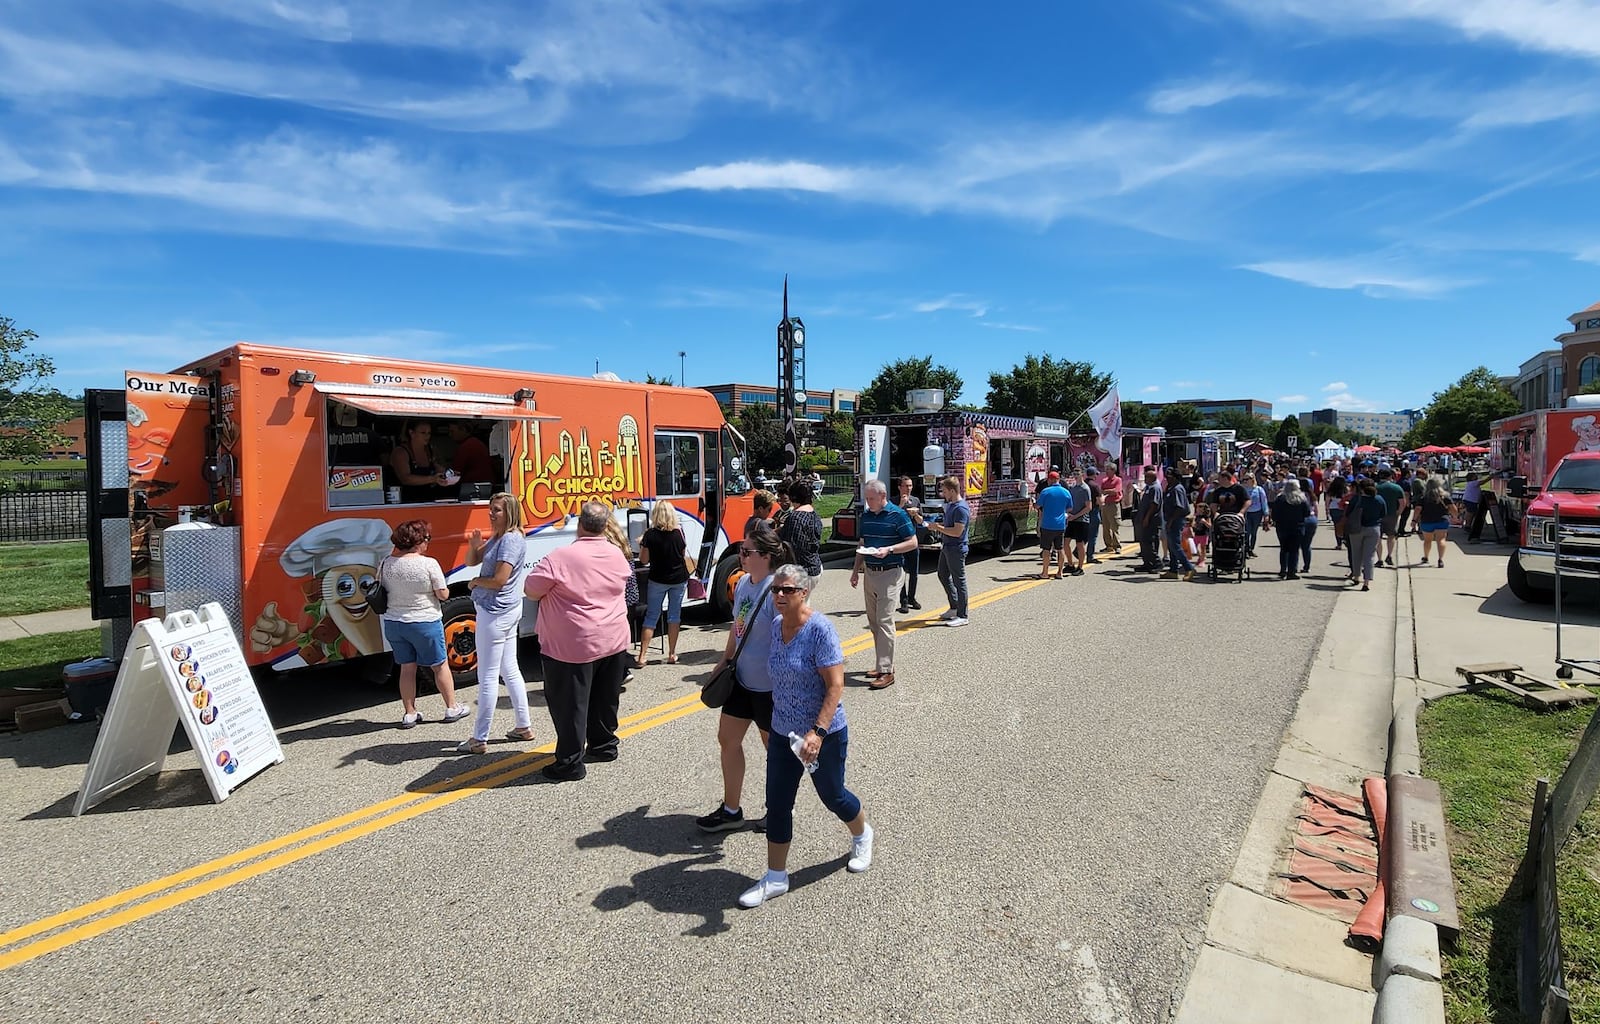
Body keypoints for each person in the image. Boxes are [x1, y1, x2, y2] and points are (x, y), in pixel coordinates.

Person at [737, 564, 872, 908]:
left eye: (787, 590)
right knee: (778, 804)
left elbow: (836, 685)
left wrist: (818, 732)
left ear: (804, 592)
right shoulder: (778, 625)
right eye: (775, 590)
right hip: (784, 734)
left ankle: (861, 833)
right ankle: (776, 877)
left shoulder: (820, 630)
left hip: (822, 735)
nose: (779, 596)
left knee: (833, 796)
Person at [523, 501, 633, 782]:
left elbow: (532, 590)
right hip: (613, 637)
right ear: (604, 525)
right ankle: (604, 745)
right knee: (605, 698)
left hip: (574, 643)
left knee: (570, 704)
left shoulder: (561, 557)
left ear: (580, 524)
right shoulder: (617, 554)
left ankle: (570, 763)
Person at [698, 523, 789, 833]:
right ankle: (731, 809)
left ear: (764, 556)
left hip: (769, 688)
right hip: (741, 681)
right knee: (727, 739)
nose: (740, 555)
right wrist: (723, 660)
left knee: (775, 754)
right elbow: (738, 627)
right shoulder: (744, 583)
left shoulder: (780, 591)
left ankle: (776, 811)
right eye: (741, 549)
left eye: (746, 551)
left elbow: (790, 639)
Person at [456, 492, 534, 754]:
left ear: (509, 512)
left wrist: (477, 582)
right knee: (508, 668)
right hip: (502, 611)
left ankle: (479, 738)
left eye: (497, 510)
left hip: (496, 611)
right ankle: (523, 726)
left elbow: (500, 579)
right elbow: (471, 561)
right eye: (491, 509)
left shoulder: (510, 540)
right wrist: (474, 545)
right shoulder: (499, 537)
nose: (491, 513)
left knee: (488, 675)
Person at [378, 519, 469, 729]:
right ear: (418, 541)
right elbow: (443, 594)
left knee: (407, 668)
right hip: (424, 623)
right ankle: (452, 707)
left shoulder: (385, 563)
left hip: (394, 623)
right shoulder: (428, 564)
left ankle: (409, 713)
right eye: (427, 538)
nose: (428, 543)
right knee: (439, 666)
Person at [850, 479, 916, 689]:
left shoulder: (898, 514)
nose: (868, 503)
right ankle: (882, 663)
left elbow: (912, 542)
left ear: (882, 496)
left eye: (871, 498)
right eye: (867, 498)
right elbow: (862, 544)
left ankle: (887, 671)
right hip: (870, 572)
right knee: (873, 621)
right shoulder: (867, 516)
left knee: (884, 619)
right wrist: (855, 571)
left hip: (891, 572)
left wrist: (890, 550)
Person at [636, 500, 690, 666]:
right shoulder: (678, 532)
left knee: (652, 616)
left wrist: (641, 544)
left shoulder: (650, 535)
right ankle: (672, 654)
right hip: (678, 579)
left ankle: (642, 656)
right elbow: (682, 554)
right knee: (674, 616)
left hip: (657, 579)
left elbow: (644, 561)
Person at [926, 474, 971, 626]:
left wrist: (938, 528)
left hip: (956, 548)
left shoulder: (961, 508)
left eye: (944, 491)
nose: (942, 494)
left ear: (952, 491)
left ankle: (963, 615)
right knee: (943, 574)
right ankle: (954, 606)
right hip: (947, 546)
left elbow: (957, 531)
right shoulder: (951, 505)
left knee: (959, 581)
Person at [389, 420, 450, 502]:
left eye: (429, 433)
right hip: (405, 502)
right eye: (423, 433)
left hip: (429, 501)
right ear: (411, 433)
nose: (427, 436)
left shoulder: (430, 450)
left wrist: (448, 474)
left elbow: (437, 468)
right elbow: (405, 479)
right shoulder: (401, 452)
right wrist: (433, 479)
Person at [779, 479, 824, 590]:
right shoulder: (815, 515)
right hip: (815, 567)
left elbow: (788, 546)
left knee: (796, 607)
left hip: (800, 572)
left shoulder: (795, 517)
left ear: (793, 497)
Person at [1343, 478, 1385, 592]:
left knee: (1356, 553)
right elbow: (1383, 513)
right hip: (1373, 528)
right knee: (1369, 556)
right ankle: (1366, 582)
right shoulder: (1379, 499)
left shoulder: (1357, 499)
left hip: (1357, 529)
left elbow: (1348, 513)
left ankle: (1356, 576)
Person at [1034, 471, 1072, 579]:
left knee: (1046, 549)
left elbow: (1038, 506)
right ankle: (1060, 572)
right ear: (1058, 479)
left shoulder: (1046, 491)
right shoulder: (1066, 492)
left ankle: (1045, 572)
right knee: (1060, 548)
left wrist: (1034, 503)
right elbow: (1070, 508)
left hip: (1047, 524)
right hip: (1060, 525)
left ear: (1050, 480)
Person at [1269, 477, 1309, 580]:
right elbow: (1307, 513)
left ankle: (1283, 570)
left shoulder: (1280, 498)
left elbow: (1274, 514)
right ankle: (1292, 572)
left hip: (1282, 527)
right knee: (1294, 550)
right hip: (1297, 527)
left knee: (1284, 548)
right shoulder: (1301, 498)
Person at [895, 476, 925, 613]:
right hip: (899, 542)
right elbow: (891, 518)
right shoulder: (893, 501)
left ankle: (912, 597)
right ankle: (904, 601)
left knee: (914, 572)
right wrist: (901, 505)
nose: (908, 488)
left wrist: (915, 515)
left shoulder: (916, 501)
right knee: (901, 573)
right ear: (900, 487)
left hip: (912, 541)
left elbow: (920, 521)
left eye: (910, 485)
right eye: (906, 486)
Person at [1160, 467, 1194, 581]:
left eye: (1168, 476)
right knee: (1171, 546)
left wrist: (1170, 522)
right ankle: (1173, 570)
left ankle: (1189, 568)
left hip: (1176, 520)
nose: (1166, 478)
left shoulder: (1177, 489)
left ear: (1175, 477)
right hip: (1170, 519)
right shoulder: (1170, 488)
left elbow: (1180, 508)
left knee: (1175, 546)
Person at [1416, 477, 1453, 569]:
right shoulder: (1445, 497)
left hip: (1427, 521)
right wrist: (1455, 516)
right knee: (1441, 539)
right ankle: (1440, 559)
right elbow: (1453, 508)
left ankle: (1426, 557)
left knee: (1427, 540)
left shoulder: (1423, 498)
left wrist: (1414, 520)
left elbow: (1418, 509)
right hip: (1442, 520)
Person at [1375, 467, 1408, 568]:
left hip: (1377, 516)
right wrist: (1398, 512)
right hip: (1392, 515)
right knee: (1391, 536)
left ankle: (1379, 559)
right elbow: (1403, 503)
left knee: (1378, 538)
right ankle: (1389, 555)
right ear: (1390, 476)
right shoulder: (1397, 488)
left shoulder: (1375, 487)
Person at [1064, 470, 1093, 576]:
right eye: (1074, 474)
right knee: (1066, 542)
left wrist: (1076, 516)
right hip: (1071, 519)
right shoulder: (1072, 488)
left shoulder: (1085, 489)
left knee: (1079, 544)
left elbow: (1088, 507)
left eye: (1077, 474)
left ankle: (1080, 567)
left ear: (1082, 475)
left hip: (1082, 520)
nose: (1075, 477)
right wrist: (1068, 513)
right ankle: (1071, 565)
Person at [446, 422, 493, 487]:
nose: (450, 435)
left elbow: (455, 472)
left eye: (452, 431)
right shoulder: (476, 442)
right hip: (485, 484)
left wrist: (442, 471)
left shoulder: (466, 446)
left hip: (473, 487)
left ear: (463, 430)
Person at [1135, 466, 1163, 572]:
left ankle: (1157, 563)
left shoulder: (1155, 488)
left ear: (1152, 478)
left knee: (1149, 542)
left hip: (1152, 520)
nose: (1145, 479)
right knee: (1143, 541)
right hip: (1143, 519)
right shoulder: (1148, 487)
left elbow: (1154, 505)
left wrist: (1147, 518)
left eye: (1146, 477)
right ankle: (1147, 563)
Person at [1242, 473, 1268, 557]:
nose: (1245, 481)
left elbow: (1264, 502)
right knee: (1247, 531)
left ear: (1252, 479)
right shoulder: (1243, 489)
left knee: (1254, 532)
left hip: (1257, 513)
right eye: (1244, 479)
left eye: (1247, 479)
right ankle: (1246, 549)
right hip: (1247, 513)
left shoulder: (1259, 489)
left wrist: (1266, 514)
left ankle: (1251, 549)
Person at [1099, 466, 1124, 554]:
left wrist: (1107, 491)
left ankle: (1117, 545)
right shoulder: (1104, 480)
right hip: (1105, 505)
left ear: (1113, 471)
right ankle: (1108, 545)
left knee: (1114, 525)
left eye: (1108, 470)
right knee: (1105, 526)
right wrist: (1108, 491)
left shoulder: (1118, 480)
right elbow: (1101, 491)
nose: (1106, 471)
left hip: (1114, 505)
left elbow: (1116, 491)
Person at [1083, 467, 1105, 564]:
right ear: (1093, 475)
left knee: (1085, 534)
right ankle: (1090, 556)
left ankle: (1078, 550)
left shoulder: (1082, 485)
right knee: (1093, 535)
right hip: (1093, 511)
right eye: (1096, 474)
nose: (1097, 476)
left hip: (1082, 511)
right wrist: (1103, 498)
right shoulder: (1095, 486)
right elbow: (1100, 501)